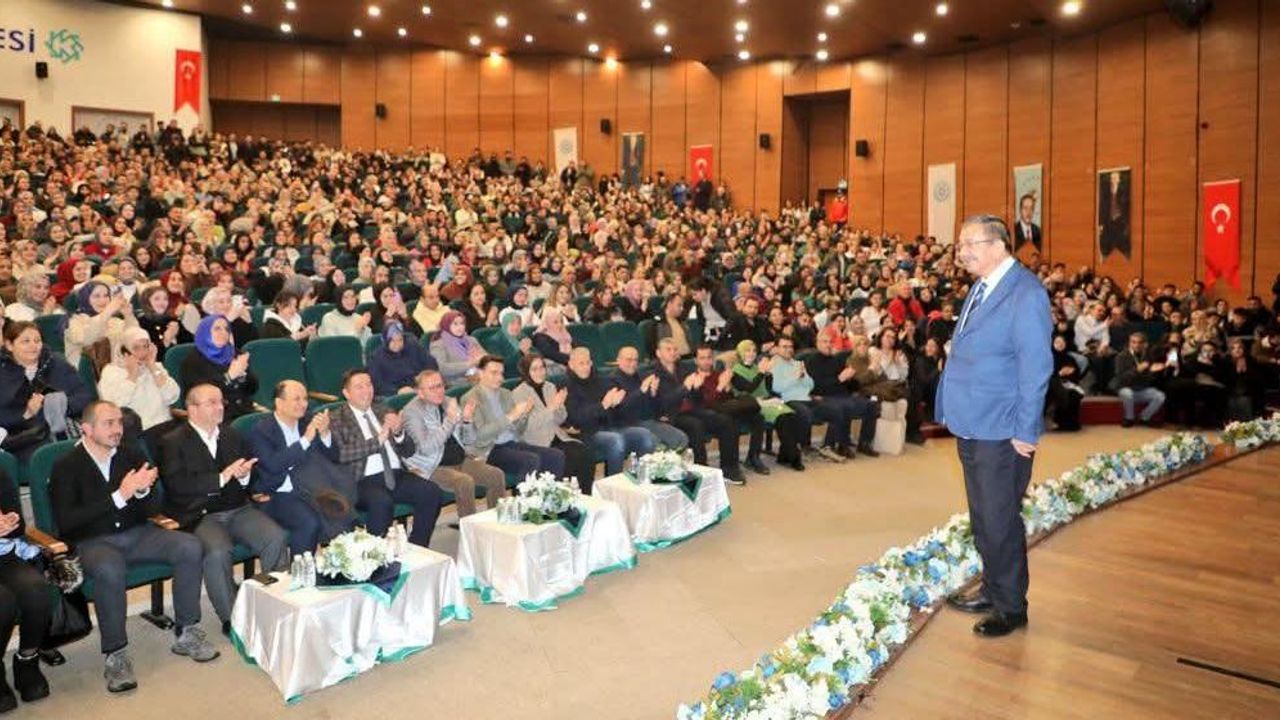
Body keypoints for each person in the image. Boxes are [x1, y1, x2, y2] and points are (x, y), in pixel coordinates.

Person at [50, 401, 218, 694]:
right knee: (108, 568)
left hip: (138, 533)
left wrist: (142, 491)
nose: (117, 429)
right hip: (94, 542)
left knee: (189, 546)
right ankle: (116, 654)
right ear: (87, 429)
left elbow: (153, 507)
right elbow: (67, 522)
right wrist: (120, 495)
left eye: (119, 422)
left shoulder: (131, 454)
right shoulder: (66, 466)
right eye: (108, 423)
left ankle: (187, 630)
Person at [937, 215, 1052, 638]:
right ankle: (993, 585)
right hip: (973, 420)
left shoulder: (1026, 293)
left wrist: (1026, 430)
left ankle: (1010, 607)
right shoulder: (983, 287)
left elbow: (1036, 366)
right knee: (984, 515)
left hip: (1002, 428)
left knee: (1000, 517)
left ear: (1000, 244)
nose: (962, 251)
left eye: (971, 243)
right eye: (960, 243)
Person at [157, 383, 288, 636]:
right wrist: (221, 477)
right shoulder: (172, 442)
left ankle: (275, 602)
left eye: (220, 402)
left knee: (276, 536)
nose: (220, 407)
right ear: (191, 409)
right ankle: (232, 618)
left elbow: (248, 480)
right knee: (217, 551)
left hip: (237, 508)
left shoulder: (232, 435)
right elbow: (176, 486)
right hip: (199, 514)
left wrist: (243, 476)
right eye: (211, 402)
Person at [330, 369, 444, 547]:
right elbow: (341, 454)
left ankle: (417, 548)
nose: (366, 390)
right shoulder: (337, 418)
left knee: (431, 492)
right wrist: (378, 441)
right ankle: (377, 556)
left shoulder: (383, 409)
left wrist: (399, 433)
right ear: (346, 393)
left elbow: (408, 450)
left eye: (369, 385)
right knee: (381, 502)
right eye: (359, 387)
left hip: (395, 474)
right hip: (362, 481)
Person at [246, 380, 353, 555]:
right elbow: (273, 465)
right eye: (296, 399)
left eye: (305, 398)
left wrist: (325, 433)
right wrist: (305, 440)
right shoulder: (262, 431)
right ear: (279, 403)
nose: (303, 404)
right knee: (309, 522)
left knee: (342, 512)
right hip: (278, 493)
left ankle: (342, 568)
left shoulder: (307, 420)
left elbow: (335, 457)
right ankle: (301, 575)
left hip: (312, 487)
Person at [401, 370, 507, 518]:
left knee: (496, 475)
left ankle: (498, 524)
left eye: (440, 385)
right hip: (432, 466)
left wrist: (467, 421)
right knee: (464, 482)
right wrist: (450, 421)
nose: (439, 391)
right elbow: (426, 448)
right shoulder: (412, 413)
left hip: (460, 459)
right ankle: (470, 533)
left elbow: (468, 441)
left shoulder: (448, 402)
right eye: (432, 388)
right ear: (420, 393)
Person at [650, 338, 747, 483]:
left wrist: (696, 387)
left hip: (692, 408)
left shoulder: (684, 368)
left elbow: (697, 397)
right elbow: (663, 402)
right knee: (695, 426)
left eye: (675, 349)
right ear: (658, 353)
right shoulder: (652, 373)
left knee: (726, 420)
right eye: (668, 349)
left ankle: (729, 469)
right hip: (671, 414)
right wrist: (686, 387)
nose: (672, 353)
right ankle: (703, 471)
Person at [0, 321, 93, 461]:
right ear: (9, 345)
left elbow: (85, 397)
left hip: (66, 428)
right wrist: (26, 414)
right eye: (25, 341)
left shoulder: (56, 363)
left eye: (37, 341)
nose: (33, 346)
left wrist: (60, 404)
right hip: (24, 438)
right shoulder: (3, 373)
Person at [0, 465, 53, 709]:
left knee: (37, 591)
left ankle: (27, 661)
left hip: (4, 555)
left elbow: (19, 525)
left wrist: (9, 522)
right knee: (3, 602)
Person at [463, 355, 565, 480]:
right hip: (490, 449)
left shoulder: (505, 393)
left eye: (501, 373)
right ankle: (523, 498)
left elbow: (519, 430)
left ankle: (549, 496)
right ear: (481, 373)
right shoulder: (471, 398)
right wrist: (510, 417)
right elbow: (480, 435)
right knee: (530, 460)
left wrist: (524, 415)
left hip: (512, 442)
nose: (500, 378)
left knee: (556, 455)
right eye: (494, 373)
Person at [512, 354, 597, 492]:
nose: (540, 372)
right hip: (536, 440)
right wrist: (551, 408)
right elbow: (529, 427)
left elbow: (560, 419)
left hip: (557, 435)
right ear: (526, 372)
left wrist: (559, 406)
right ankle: (563, 499)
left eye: (542, 368)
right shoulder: (518, 393)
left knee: (585, 453)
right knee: (568, 458)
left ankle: (586, 495)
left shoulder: (549, 387)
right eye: (534, 369)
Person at [564, 347, 655, 474]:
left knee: (645, 435)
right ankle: (612, 483)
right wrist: (603, 406)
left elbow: (617, 410)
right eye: (581, 363)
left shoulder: (600, 380)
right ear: (571, 365)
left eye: (588, 363)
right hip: (588, 433)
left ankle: (639, 476)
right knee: (615, 440)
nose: (586, 367)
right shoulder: (567, 386)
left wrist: (616, 404)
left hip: (612, 427)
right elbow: (577, 418)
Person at [805, 332, 881, 458]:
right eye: (824, 342)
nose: (828, 345)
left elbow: (849, 385)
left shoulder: (836, 360)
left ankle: (864, 443)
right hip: (824, 396)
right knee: (844, 406)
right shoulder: (812, 361)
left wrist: (852, 379)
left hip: (843, 395)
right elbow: (816, 386)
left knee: (871, 405)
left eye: (830, 342)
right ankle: (841, 445)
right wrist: (839, 379)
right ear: (817, 343)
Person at [96, 327, 181, 439]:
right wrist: (132, 376)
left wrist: (152, 367)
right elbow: (114, 406)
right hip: (137, 433)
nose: (142, 353)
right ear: (124, 351)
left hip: (167, 426)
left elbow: (172, 396)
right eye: (136, 348)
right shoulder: (112, 371)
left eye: (145, 347)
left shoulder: (156, 367)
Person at [180, 315, 259, 420]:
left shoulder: (235, 353)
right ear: (205, 332)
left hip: (244, 410)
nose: (223, 333)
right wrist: (229, 377)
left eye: (227, 329)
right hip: (215, 416)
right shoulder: (193, 361)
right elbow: (200, 396)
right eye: (217, 328)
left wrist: (242, 376)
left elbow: (253, 389)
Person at [610, 346, 689, 451]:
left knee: (681, 439)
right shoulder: (611, 380)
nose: (633, 364)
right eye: (629, 360)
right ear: (618, 360)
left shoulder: (640, 377)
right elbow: (621, 410)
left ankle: (673, 466)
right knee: (656, 443)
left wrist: (652, 393)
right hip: (625, 424)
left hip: (647, 421)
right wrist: (641, 391)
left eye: (635, 360)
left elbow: (653, 406)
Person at [65, 280, 139, 369]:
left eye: (106, 295)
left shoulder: (114, 321)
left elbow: (136, 340)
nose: (103, 300)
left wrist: (128, 316)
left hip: (117, 371)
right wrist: (108, 311)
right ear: (85, 298)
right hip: (88, 375)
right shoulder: (74, 321)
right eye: (97, 296)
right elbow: (87, 340)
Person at [367, 321, 438, 397]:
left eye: (400, 340)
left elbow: (431, 363)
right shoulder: (376, 358)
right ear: (386, 341)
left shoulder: (413, 346)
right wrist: (397, 391)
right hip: (396, 395)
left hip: (421, 387)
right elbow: (377, 384)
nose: (397, 344)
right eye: (392, 341)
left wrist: (422, 378)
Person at [1111, 332, 1168, 427]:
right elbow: (1121, 378)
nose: (1136, 345)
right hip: (1125, 387)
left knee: (1160, 396)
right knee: (1127, 393)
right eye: (1133, 342)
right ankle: (1129, 418)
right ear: (1129, 343)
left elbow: (1148, 380)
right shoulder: (1121, 356)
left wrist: (1152, 371)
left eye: (1139, 342)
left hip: (1140, 389)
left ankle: (1144, 418)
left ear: (1144, 344)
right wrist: (1137, 370)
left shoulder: (1147, 356)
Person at [429, 310, 486, 387]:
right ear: (446, 325)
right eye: (455, 324)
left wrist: (481, 362)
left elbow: (486, 358)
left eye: (462, 323)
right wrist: (470, 364)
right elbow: (442, 369)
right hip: (457, 382)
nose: (460, 327)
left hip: (480, 377)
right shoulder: (438, 345)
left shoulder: (471, 340)